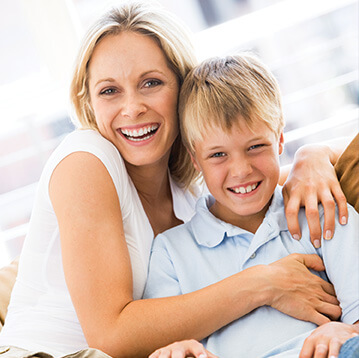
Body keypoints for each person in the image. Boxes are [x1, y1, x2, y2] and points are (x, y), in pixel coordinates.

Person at [0, 2, 352, 358]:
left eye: (151, 83)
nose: (132, 107)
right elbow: (109, 337)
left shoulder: (188, 189)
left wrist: (314, 155)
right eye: (109, 91)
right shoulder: (86, 159)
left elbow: (259, 175)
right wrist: (264, 283)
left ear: (183, 90)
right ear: (89, 103)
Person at [143, 53, 359, 358]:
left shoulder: (321, 211)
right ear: (195, 159)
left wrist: (344, 331)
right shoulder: (170, 253)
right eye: (218, 155)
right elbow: (163, 342)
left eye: (256, 147)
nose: (241, 170)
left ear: (280, 140)